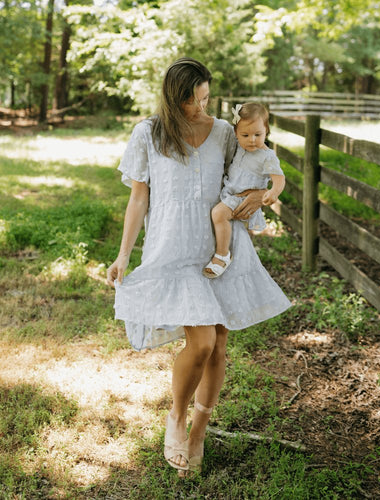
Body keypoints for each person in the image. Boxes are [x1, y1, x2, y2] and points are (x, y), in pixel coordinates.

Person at [106, 57, 291, 476]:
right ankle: (175, 417)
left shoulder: (225, 132)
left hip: (221, 250)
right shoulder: (149, 133)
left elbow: (251, 166)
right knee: (202, 343)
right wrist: (122, 255)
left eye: (207, 98)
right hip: (174, 249)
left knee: (220, 343)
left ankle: (199, 432)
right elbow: (138, 199)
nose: (202, 108)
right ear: (174, 100)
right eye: (194, 101)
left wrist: (257, 197)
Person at [203, 102, 286, 278]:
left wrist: (273, 192)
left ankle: (222, 255)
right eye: (245, 134)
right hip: (231, 192)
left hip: (243, 197)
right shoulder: (239, 145)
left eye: (258, 134)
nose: (252, 140)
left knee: (218, 214)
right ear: (236, 133)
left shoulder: (267, 156)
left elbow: (279, 178)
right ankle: (237, 260)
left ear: (267, 131)